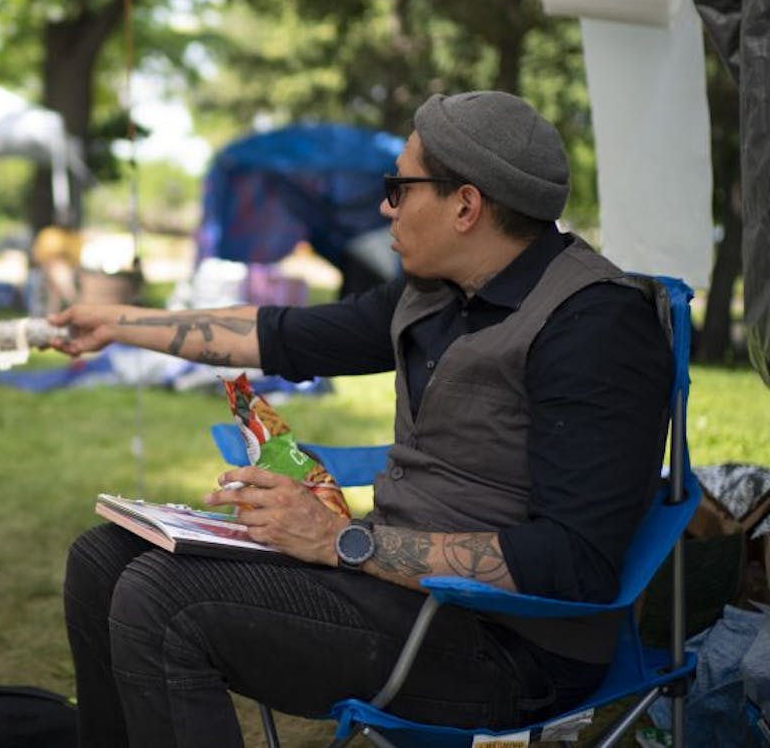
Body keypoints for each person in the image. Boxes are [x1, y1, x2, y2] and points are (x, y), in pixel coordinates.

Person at [52, 91, 674, 747]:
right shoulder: (439, 291)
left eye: (399, 187)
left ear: (465, 205)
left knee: (164, 601)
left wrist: (338, 542)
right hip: (397, 592)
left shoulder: (595, 327)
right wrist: (117, 323)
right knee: (104, 558)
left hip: (508, 644)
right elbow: (276, 335)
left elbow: (574, 565)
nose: (384, 206)